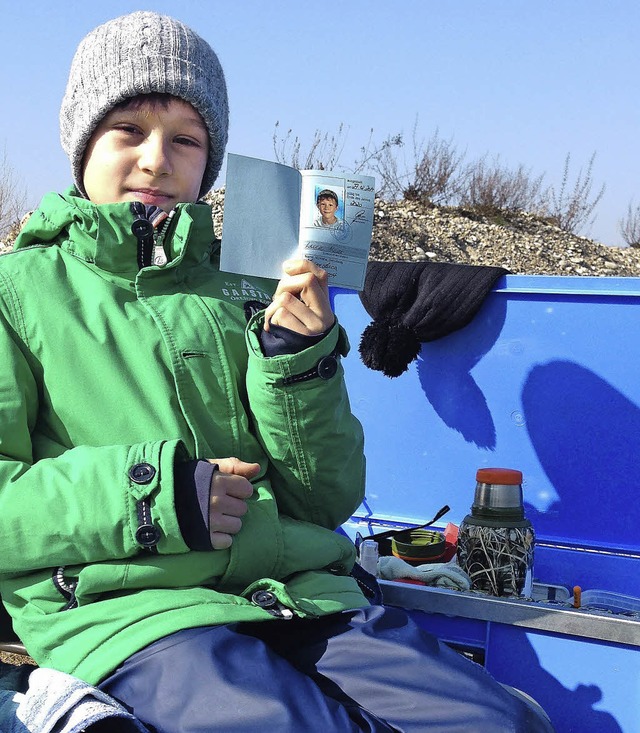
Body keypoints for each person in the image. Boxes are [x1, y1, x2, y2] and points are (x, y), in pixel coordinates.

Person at [0, 11, 553, 732]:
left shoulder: (252, 284)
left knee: (501, 722)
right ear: (81, 144)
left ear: (210, 160)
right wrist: (153, 495)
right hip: (136, 611)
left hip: (299, 592)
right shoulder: (20, 291)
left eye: (186, 139)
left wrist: (298, 358)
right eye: (127, 130)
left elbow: (325, 498)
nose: (155, 159)